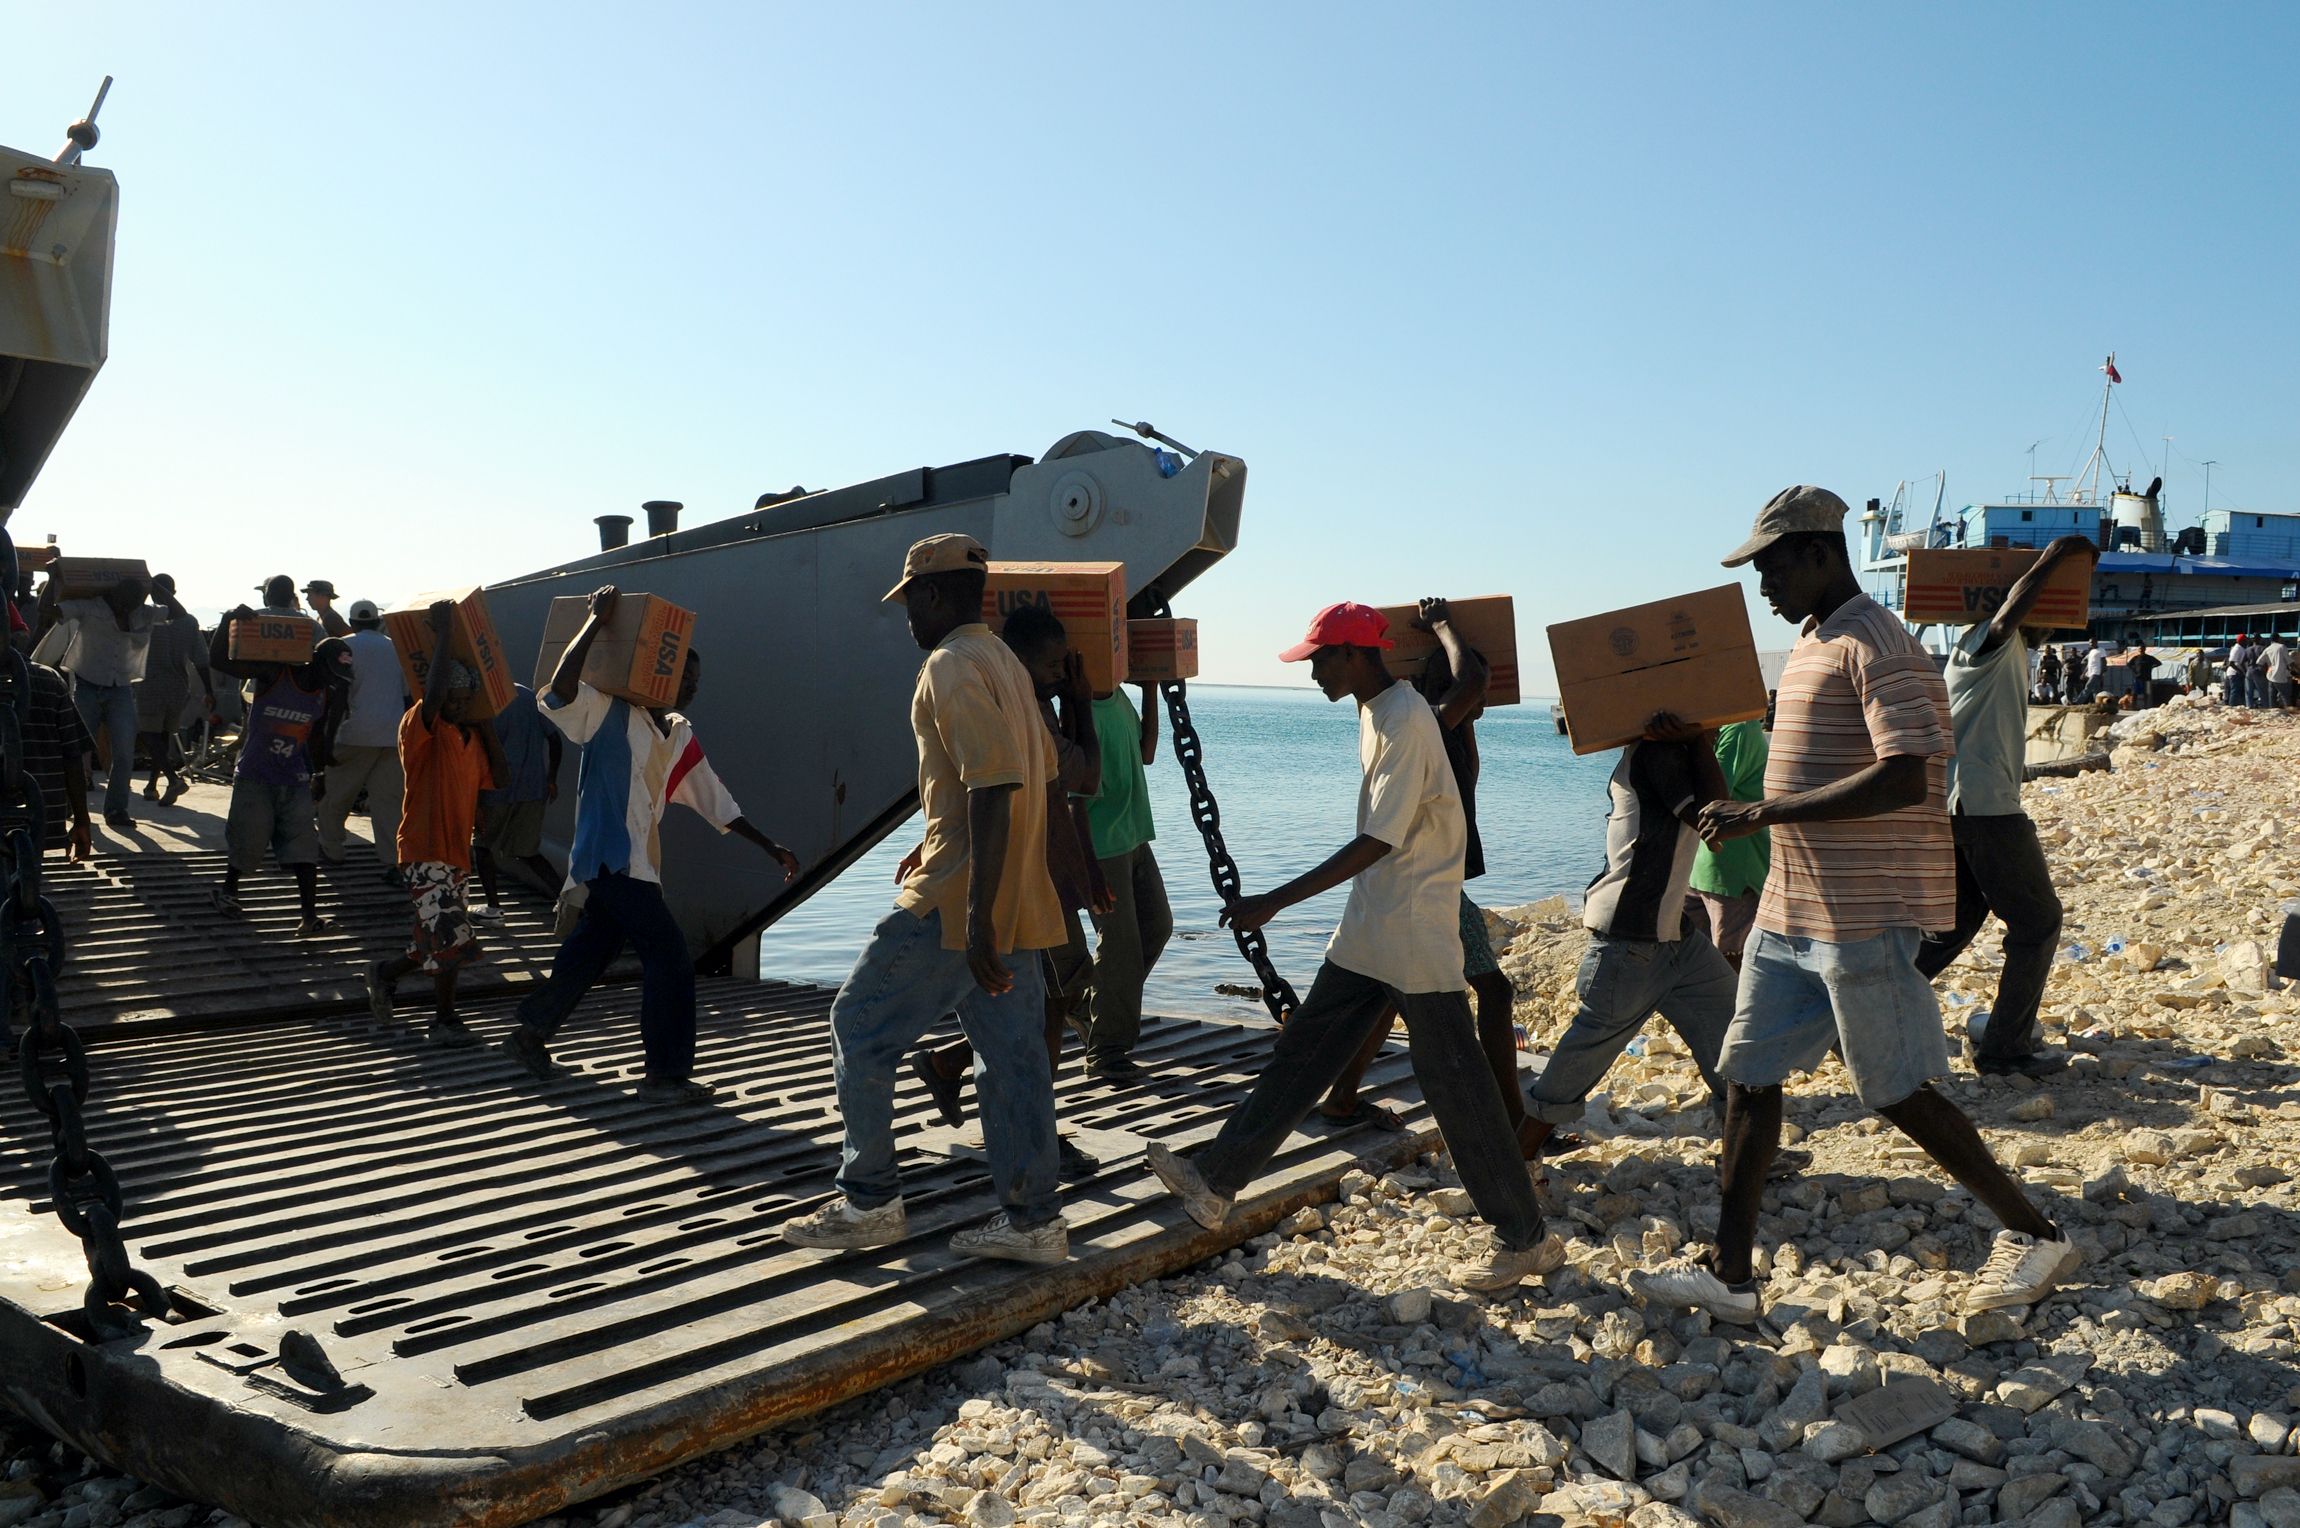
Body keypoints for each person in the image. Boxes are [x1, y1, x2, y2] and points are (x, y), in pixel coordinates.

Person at [1631, 486, 2079, 1326]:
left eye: (1771, 567)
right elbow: (1801, 759)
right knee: (1747, 1076)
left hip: (1862, 913)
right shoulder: (1812, 641)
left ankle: (2035, 1233)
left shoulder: (1880, 644)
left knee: (1897, 1090)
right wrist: (1694, 748)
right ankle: (1731, 1273)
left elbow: (1906, 774)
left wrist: (1764, 814)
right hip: (1789, 908)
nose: (1762, 585)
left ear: (1818, 553)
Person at [1144, 601, 1561, 1292]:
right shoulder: (1377, 711)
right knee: (1303, 1053)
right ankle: (1215, 1183)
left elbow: (1379, 840)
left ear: (1353, 654)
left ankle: (1525, 1239)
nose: (1312, 674)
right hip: (1374, 921)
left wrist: (1276, 900)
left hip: (1414, 926)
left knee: (1457, 1087)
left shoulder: (1405, 722)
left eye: (1318, 660)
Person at [781, 535, 1073, 1265]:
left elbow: (994, 783)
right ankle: (1035, 1221)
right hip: (1019, 897)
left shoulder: (947, 665)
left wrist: (975, 917)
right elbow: (1036, 775)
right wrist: (937, 837)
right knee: (1012, 1058)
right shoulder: (1007, 663)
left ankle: (869, 1202)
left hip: (956, 904)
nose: (906, 615)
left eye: (910, 599)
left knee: (858, 1024)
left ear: (934, 594)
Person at [499, 586, 799, 1101]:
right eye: (683, 677)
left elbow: (715, 798)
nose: (691, 688)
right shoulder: (606, 711)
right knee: (671, 960)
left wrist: (769, 846)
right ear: (656, 674)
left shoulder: (677, 733)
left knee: (590, 953)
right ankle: (664, 1075)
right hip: (609, 859)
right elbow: (560, 687)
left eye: (696, 681)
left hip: (639, 864)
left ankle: (527, 1036)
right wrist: (595, 621)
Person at [909, 604, 1107, 1182]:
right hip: (1025, 887)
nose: (1061, 674)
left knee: (1032, 1009)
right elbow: (1084, 778)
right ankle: (1035, 1138)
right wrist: (1080, 703)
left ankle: (956, 1072)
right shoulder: (1029, 709)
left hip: (1034, 884)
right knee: (1042, 1011)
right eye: (1051, 666)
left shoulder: (1020, 703)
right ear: (1017, 661)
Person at [1313, 598, 1519, 1136]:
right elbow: (1472, 679)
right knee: (1493, 992)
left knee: (1389, 988)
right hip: (1427, 887)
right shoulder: (1427, 723)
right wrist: (1443, 625)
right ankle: (1512, 1121)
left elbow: (1472, 688)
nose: (1481, 699)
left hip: (1429, 881)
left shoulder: (1445, 728)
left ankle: (1342, 1095)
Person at [1515, 708, 1739, 1164]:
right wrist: (1699, 741)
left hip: (1673, 935)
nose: (1718, 727)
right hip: (1631, 938)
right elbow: (1720, 825)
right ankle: (1512, 1161)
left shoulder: (1664, 752)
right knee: (1582, 1056)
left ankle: (1750, 1155)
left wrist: (1698, 741)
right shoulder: (1660, 755)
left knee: (1733, 1034)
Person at [1914, 534, 2098, 1080]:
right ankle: (2004, 1049)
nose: (2052, 628)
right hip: (1984, 805)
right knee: (2039, 922)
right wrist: (2056, 555)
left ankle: (1853, 1016)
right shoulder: (1987, 641)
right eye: (2049, 616)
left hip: (1961, 804)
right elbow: (2009, 612)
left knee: (1954, 926)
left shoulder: (1993, 650)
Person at [363, 603, 507, 1046]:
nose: (457, 706)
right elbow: (436, 691)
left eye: (465, 701)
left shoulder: (471, 738)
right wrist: (444, 634)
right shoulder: (422, 727)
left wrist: (486, 723)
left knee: (437, 933)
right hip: (423, 849)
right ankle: (445, 1019)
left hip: (456, 853)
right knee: (450, 933)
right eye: (452, 700)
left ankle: (385, 973)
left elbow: (501, 779)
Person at [208, 608, 356, 935]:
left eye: (339, 677)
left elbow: (314, 735)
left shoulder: (325, 694)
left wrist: (319, 775)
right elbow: (218, 661)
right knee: (248, 843)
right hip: (255, 776)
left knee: (304, 849)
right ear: (315, 661)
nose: (333, 680)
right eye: (331, 673)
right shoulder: (274, 673)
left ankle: (309, 916)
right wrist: (228, 619)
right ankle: (228, 891)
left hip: (294, 779)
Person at [1079, 678, 1171, 1080]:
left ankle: (1089, 1008)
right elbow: (1073, 801)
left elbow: (1145, 753)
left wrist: (1150, 690)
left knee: (1157, 927)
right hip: (1102, 848)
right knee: (1120, 946)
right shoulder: (1080, 712)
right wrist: (1089, 869)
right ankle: (1106, 1052)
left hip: (1134, 837)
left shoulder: (1116, 698)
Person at [39, 574, 152, 831]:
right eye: (125, 602)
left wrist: (153, 585)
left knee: (124, 753)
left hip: (121, 688)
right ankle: (69, 803)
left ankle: (116, 809)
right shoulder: (89, 608)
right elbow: (47, 609)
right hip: (87, 686)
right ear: (114, 595)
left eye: (134, 603)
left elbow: (177, 613)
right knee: (75, 750)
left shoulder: (142, 613)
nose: (128, 608)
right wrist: (52, 578)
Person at [317, 598, 408, 882]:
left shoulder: (345, 646)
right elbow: (406, 696)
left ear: (353, 622)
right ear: (377, 621)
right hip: (393, 735)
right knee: (389, 803)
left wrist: (327, 739)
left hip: (357, 733)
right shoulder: (396, 648)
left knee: (337, 794)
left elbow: (339, 696)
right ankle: (393, 862)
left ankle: (332, 849)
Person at [471, 679, 562, 922]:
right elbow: (555, 740)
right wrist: (551, 778)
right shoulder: (528, 696)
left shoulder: (482, 703)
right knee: (529, 852)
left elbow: (478, 752)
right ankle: (566, 902)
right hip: (532, 788)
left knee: (482, 846)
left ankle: (493, 908)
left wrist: (475, 801)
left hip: (496, 789)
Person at [1686, 717, 1770, 973]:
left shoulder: (1739, 726)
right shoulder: (1706, 723)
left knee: (1730, 966)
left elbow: (1711, 802)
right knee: (1688, 963)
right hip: (1698, 868)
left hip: (1732, 874)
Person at [133, 574, 211, 808]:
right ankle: (152, 786)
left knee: (149, 735)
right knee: (163, 736)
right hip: (177, 687)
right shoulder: (188, 621)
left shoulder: (145, 618)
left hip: (150, 685)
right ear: (173, 593)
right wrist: (209, 690)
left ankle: (173, 779)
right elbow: (201, 659)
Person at [2126, 644, 2159, 711]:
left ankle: (2146, 707)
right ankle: (2133, 706)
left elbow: (2158, 663)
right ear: (2138, 650)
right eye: (2140, 649)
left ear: (2145, 649)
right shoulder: (2136, 658)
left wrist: (2151, 667)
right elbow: (2129, 664)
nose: (2141, 650)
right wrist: (2134, 670)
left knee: (2146, 694)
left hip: (2147, 678)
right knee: (2135, 693)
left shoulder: (2149, 658)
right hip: (2137, 678)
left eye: (2142, 649)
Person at [2266, 636, 2292, 710]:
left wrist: (2267, 670)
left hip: (2270, 675)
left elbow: (2259, 662)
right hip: (2280, 676)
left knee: (2272, 696)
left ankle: (2273, 711)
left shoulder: (2268, 648)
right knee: (2285, 695)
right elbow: (2290, 662)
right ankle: (2288, 711)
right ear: (2278, 639)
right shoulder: (2282, 647)